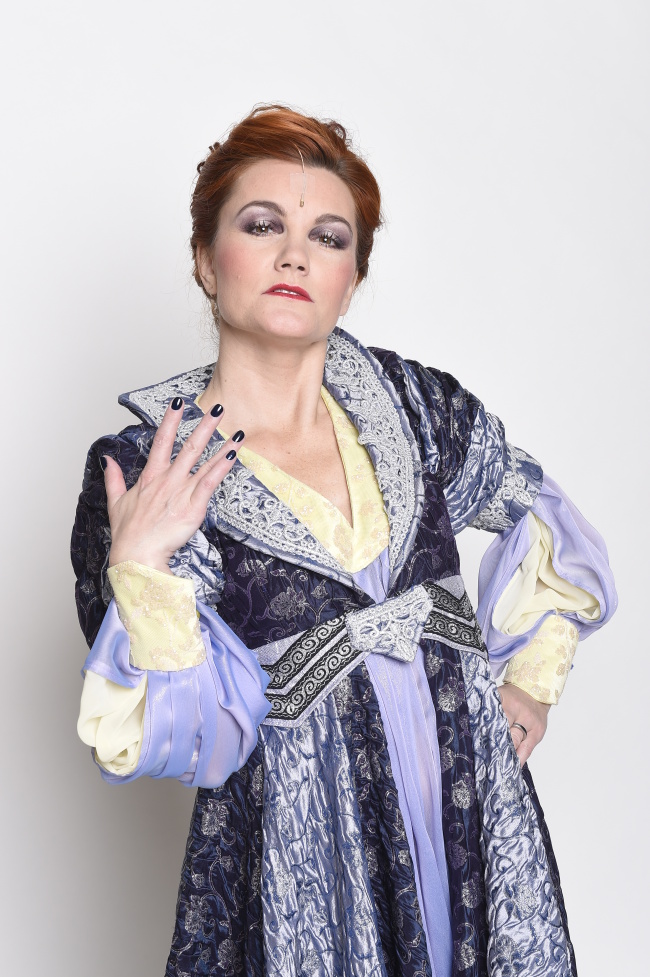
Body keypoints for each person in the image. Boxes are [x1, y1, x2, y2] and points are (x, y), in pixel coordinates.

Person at [72, 105, 616, 977]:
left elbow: (537, 510)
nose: (295, 255)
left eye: (328, 237)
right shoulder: (149, 467)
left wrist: (532, 679)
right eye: (262, 226)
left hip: (471, 819)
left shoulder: (417, 406)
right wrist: (141, 568)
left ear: (351, 278)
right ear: (206, 259)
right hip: (308, 853)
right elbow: (195, 740)